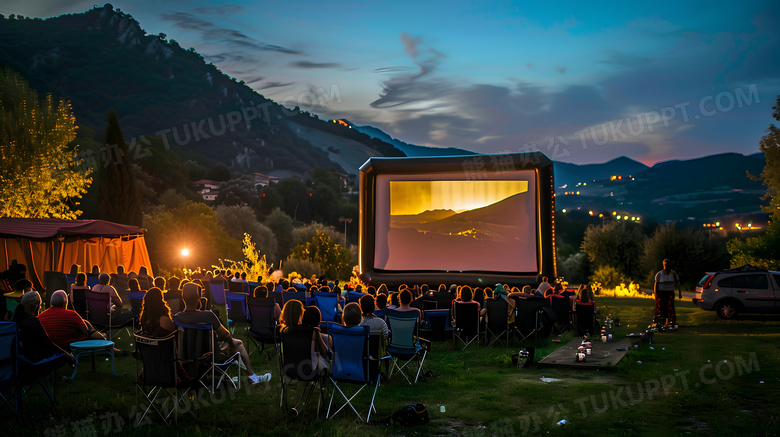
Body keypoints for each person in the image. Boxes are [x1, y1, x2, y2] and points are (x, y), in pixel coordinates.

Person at [174, 283, 269, 384]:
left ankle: (245, 376)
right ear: (198, 298)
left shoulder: (177, 317)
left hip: (186, 361)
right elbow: (226, 335)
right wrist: (230, 344)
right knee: (238, 343)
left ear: (183, 298)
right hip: (209, 359)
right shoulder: (208, 315)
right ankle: (252, 376)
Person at [11, 291, 74, 374]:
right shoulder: (33, 322)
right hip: (32, 363)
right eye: (40, 305)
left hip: (16, 363)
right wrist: (67, 354)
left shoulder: (14, 321)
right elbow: (48, 343)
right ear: (36, 306)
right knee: (62, 357)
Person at [39, 290, 105, 350]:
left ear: (51, 302)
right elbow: (85, 330)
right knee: (86, 325)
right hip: (69, 346)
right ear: (65, 303)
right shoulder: (71, 314)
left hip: (50, 347)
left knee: (83, 322)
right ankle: (102, 338)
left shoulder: (41, 316)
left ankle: (100, 336)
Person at [279, 300, 331, 373]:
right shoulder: (311, 331)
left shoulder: (283, 331)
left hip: (289, 369)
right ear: (300, 314)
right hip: (309, 370)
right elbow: (325, 353)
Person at [654, 259, 681, 329]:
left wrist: (680, 293)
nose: (666, 266)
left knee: (670, 307)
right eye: (665, 265)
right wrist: (656, 294)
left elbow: (678, 282)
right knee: (661, 307)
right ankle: (660, 321)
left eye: (667, 265)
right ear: (663, 265)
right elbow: (656, 285)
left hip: (670, 292)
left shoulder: (673, 274)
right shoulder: (659, 274)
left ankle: (671, 321)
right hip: (661, 292)